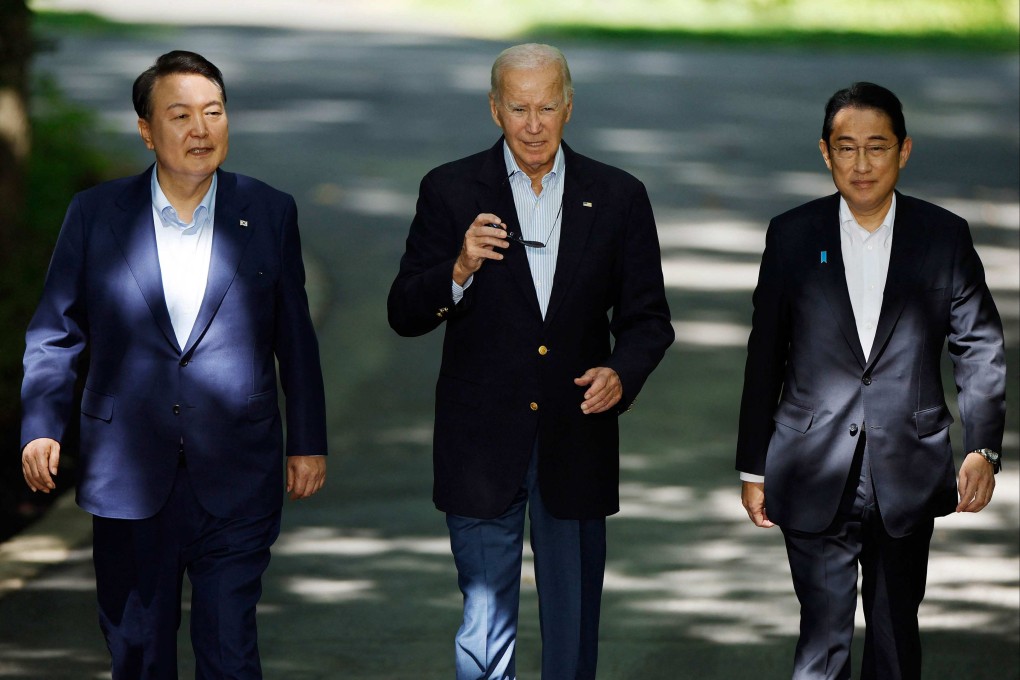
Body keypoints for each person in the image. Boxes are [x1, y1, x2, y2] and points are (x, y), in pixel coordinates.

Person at [20, 50, 328, 679]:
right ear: (146, 129)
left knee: (231, 652)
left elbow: (294, 335)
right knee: (138, 652)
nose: (201, 129)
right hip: (129, 472)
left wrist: (309, 441)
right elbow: (56, 331)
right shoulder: (97, 215)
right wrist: (41, 424)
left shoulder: (268, 211)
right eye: (180, 115)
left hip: (239, 470)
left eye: (213, 112)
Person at [388, 43, 673, 678]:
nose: (534, 124)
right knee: (484, 626)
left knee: (573, 629)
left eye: (547, 107)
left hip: (577, 436)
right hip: (480, 442)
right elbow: (404, 311)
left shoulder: (619, 195)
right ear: (495, 109)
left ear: (569, 107)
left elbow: (648, 320)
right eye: (519, 108)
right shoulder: (449, 189)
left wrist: (623, 372)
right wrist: (458, 268)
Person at [736, 81, 1006, 680]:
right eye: (845, 147)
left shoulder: (943, 236)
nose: (861, 164)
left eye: (876, 147)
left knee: (893, 642)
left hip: (907, 467)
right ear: (825, 153)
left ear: (904, 151)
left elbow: (979, 343)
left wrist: (983, 445)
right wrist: (753, 466)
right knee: (821, 645)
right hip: (810, 463)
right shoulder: (792, 235)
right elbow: (765, 355)